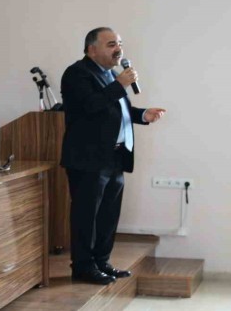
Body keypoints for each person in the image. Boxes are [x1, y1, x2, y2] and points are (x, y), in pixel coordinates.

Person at [60, 27, 166, 285]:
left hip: (115, 156)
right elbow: (90, 107)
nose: (118, 49)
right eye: (111, 44)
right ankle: (83, 267)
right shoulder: (77, 73)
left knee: (108, 215)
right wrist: (120, 85)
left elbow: (117, 109)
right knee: (87, 215)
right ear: (92, 49)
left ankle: (101, 262)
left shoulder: (111, 74)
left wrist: (142, 115)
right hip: (88, 158)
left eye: (119, 43)